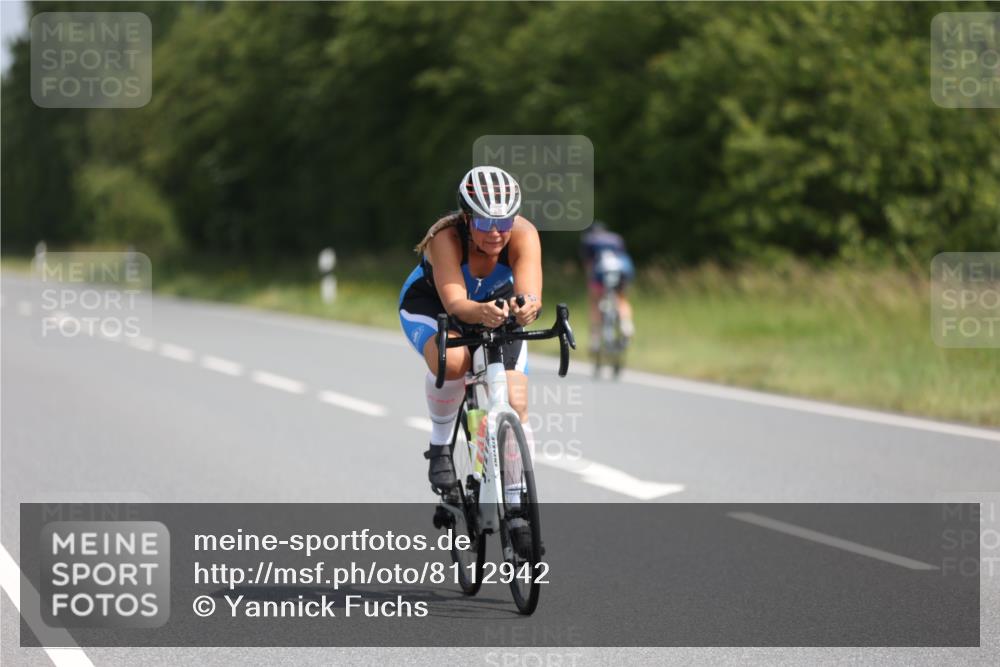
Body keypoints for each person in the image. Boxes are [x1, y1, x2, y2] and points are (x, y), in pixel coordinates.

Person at [399, 166, 542, 498]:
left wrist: (528, 307)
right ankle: (439, 446)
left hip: (494, 306)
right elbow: (456, 305)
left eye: (504, 222)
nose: (496, 233)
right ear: (466, 217)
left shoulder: (524, 234)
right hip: (434, 305)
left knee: (516, 400)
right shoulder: (445, 239)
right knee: (453, 363)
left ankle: (516, 496)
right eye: (485, 222)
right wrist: (482, 313)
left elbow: (531, 294)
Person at [580, 221, 635, 352]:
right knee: (622, 299)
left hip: (601, 270)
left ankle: (595, 339)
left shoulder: (588, 240)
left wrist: (590, 282)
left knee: (595, 302)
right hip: (623, 268)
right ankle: (626, 325)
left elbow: (588, 264)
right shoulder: (616, 238)